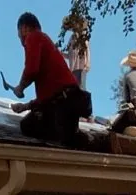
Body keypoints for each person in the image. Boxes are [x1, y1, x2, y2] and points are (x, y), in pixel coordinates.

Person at [11, 12, 92, 146]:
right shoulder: (43, 41)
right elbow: (48, 96)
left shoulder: (33, 37)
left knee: (63, 139)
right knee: (28, 125)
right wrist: (25, 106)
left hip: (65, 103)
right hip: (66, 101)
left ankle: (88, 141)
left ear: (24, 28)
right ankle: (78, 138)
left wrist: (21, 87)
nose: (19, 37)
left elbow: (31, 70)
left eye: (18, 32)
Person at [63, 16, 91, 90]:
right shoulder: (71, 39)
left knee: (81, 88)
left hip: (81, 67)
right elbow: (69, 55)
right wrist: (60, 53)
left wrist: (87, 63)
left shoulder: (83, 36)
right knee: (74, 89)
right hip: (73, 68)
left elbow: (87, 50)